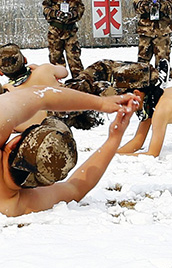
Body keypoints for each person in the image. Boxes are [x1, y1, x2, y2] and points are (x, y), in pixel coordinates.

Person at [0, 85, 138, 217]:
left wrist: (101, 103)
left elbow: (43, 95)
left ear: (14, 143)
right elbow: (76, 188)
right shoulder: (16, 205)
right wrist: (114, 139)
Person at [0, 43, 104, 131]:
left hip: (50, 122)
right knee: (97, 71)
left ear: (1, 72)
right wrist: (41, 68)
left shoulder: (10, 93)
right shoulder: (44, 70)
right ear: (25, 60)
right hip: (69, 102)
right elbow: (64, 72)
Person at [132, 0, 172, 83]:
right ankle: (141, 83)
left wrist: (159, 6)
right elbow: (136, 5)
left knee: (163, 59)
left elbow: (171, 6)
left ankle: (164, 82)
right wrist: (147, 6)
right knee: (142, 60)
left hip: (162, 30)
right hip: (145, 31)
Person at [41, 0, 85, 77]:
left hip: (70, 32)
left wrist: (72, 14)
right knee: (56, 61)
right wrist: (56, 14)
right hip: (55, 33)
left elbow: (81, 9)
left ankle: (80, 85)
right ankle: (58, 87)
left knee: (75, 60)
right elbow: (45, 10)